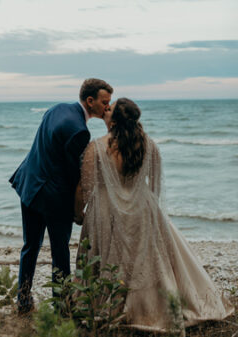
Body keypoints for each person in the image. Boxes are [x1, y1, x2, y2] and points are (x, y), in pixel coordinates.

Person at [75, 98, 234, 331]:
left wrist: (79, 213)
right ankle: (151, 306)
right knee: (146, 258)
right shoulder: (149, 145)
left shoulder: (96, 147)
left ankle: (106, 305)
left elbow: (86, 186)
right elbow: (153, 184)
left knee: (108, 257)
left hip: (106, 210)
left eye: (109, 109)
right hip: (142, 208)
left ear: (115, 118)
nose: (105, 110)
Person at [9, 78, 113, 314]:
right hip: (54, 198)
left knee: (30, 246)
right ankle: (63, 307)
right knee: (60, 251)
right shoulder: (79, 132)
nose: (108, 107)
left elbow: (44, 148)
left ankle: (23, 301)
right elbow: (73, 176)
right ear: (90, 101)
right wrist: (77, 211)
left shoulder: (57, 108)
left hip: (30, 186)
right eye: (105, 102)